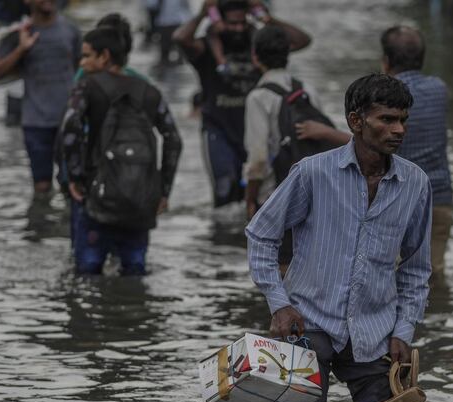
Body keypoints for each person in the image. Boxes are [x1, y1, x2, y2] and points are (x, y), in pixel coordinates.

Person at [246, 74, 433, 402]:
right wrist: (279, 304)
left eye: (402, 120)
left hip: (375, 330)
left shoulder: (415, 183)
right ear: (355, 121)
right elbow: (261, 235)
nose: (397, 129)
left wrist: (404, 329)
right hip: (308, 324)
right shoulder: (313, 173)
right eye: (386, 119)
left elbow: (416, 268)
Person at [61, 27, 182, 275]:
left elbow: (70, 128)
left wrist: (74, 177)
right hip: (140, 199)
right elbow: (174, 140)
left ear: (104, 56)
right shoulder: (149, 91)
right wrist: (163, 190)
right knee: (135, 271)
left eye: (86, 56)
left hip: (97, 195)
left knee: (87, 273)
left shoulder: (86, 87)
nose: (82, 63)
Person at [173, 0, 311, 207]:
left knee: (261, 192)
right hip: (218, 130)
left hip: (254, 131)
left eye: (241, 23)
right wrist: (203, 13)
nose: (238, 29)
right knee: (225, 190)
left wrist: (266, 17)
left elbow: (302, 40)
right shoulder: (206, 47)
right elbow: (180, 38)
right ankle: (222, 238)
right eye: (232, 24)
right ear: (219, 21)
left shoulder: (258, 46)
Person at [242, 25, 329, 270]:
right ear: (288, 54)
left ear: (255, 56)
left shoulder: (258, 97)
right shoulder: (306, 90)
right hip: (313, 193)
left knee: (278, 275)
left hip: (275, 197)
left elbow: (258, 160)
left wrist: (250, 198)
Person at [0, 0, 81, 195]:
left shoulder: (70, 30)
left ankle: (64, 224)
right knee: (41, 186)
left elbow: (81, 70)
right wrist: (21, 49)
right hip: (35, 122)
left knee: (71, 184)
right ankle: (41, 224)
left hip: (67, 121)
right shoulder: (17, 34)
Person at [381, 26, 453, 276]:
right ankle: (438, 314)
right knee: (432, 274)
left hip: (400, 199)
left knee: (395, 279)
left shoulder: (383, 97)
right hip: (439, 197)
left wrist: (324, 133)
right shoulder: (439, 89)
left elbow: (369, 142)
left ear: (386, 61)